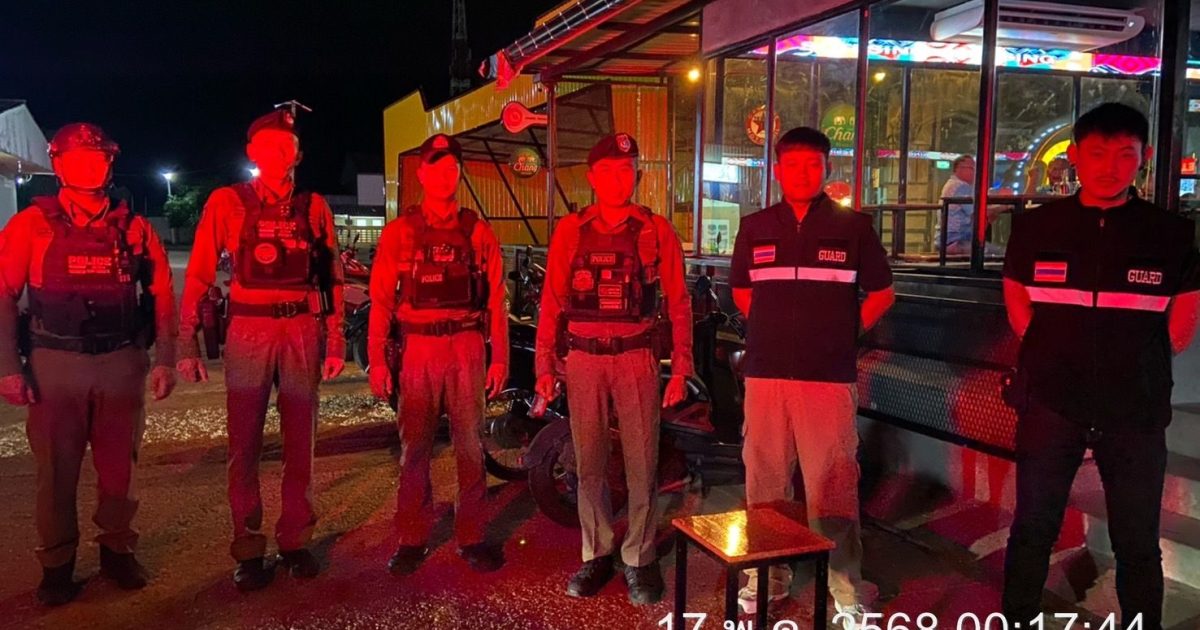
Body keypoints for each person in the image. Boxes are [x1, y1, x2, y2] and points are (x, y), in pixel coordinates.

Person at [1000, 103, 1200, 630]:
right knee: (1033, 527)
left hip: (1135, 409)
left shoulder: (1172, 234)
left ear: (1144, 157)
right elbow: (1016, 294)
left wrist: (1139, 366)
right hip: (1051, 402)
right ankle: (1018, 620)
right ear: (1074, 157)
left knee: (1138, 539)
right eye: (1097, 154)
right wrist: (1048, 352)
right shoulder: (1036, 227)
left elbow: (1183, 321)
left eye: (1124, 155)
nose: (1110, 167)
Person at [0, 123, 177, 605]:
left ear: (110, 164)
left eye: (97, 158)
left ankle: (117, 552)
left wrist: (166, 359)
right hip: (55, 364)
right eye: (78, 159)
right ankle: (56, 564)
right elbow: (4, 294)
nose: (89, 167)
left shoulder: (133, 228)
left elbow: (162, 294)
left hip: (120, 361)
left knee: (121, 469)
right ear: (58, 166)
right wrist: (8, 367)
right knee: (56, 473)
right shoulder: (31, 225)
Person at [728, 126, 895, 626]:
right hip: (766, 376)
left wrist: (842, 334)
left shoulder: (854, 227)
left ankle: (845, 588)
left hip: (828, 378)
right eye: (793, 164)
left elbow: (883, 293)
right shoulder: (755, 226)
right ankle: (767, 577)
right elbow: (742, 292)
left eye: (813, 164)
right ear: (777, 170)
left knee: (833, 485)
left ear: (826, 169)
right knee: (765, 481)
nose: (802, 173)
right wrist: (776, 332)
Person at [176, 108, 345, 592]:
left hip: (301, 331)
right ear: (252, 152)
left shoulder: (314, 207)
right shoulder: (228, 202)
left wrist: (335, 337)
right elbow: (201, 271)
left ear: (298, 154)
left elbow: (331, 276)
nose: (278, 153)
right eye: (268, 145)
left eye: (286, 146)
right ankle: (248, 547)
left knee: (300, 443)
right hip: (249, 330)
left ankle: (294, 540)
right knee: (244, 444)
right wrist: (186, 339)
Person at [534, 132, 692, 605]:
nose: (618, 180)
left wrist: (681, 369)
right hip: (583, 359)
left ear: (636, 175)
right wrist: (544, 364)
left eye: (626, 171)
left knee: (642, 463)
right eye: (608, 172)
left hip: (636, 357)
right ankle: (597, 552)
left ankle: (639, 557)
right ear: (592, 177)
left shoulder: (655, 230)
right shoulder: (571, 230)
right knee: (589, 463)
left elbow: (679, 303)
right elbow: (552, 302)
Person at [367, 133, 509, 575]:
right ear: (423, 174)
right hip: (418, 348)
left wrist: (500, 358)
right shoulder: (400, 232)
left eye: (453, 168)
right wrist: (377, 359)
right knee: (415, 448)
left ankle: (472, 535)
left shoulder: (477, 231)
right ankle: (412, 536)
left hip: (466, 346)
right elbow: (381, 300)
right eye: (437, 167)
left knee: (471, 446)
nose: (446, 175)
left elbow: (497, 299)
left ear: (459, 174)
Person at [938, 155, 1006, 255]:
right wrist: (1004, 207)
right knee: (1002, 253)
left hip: (951, 239)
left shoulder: (954, 184)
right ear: (958, 169)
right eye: (971, 168)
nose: (974, 172)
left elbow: (978, 217)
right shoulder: (960, 186)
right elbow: (978, 213)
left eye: (975, 168)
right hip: (956, 241)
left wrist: (992, 213)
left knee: (995, 251)